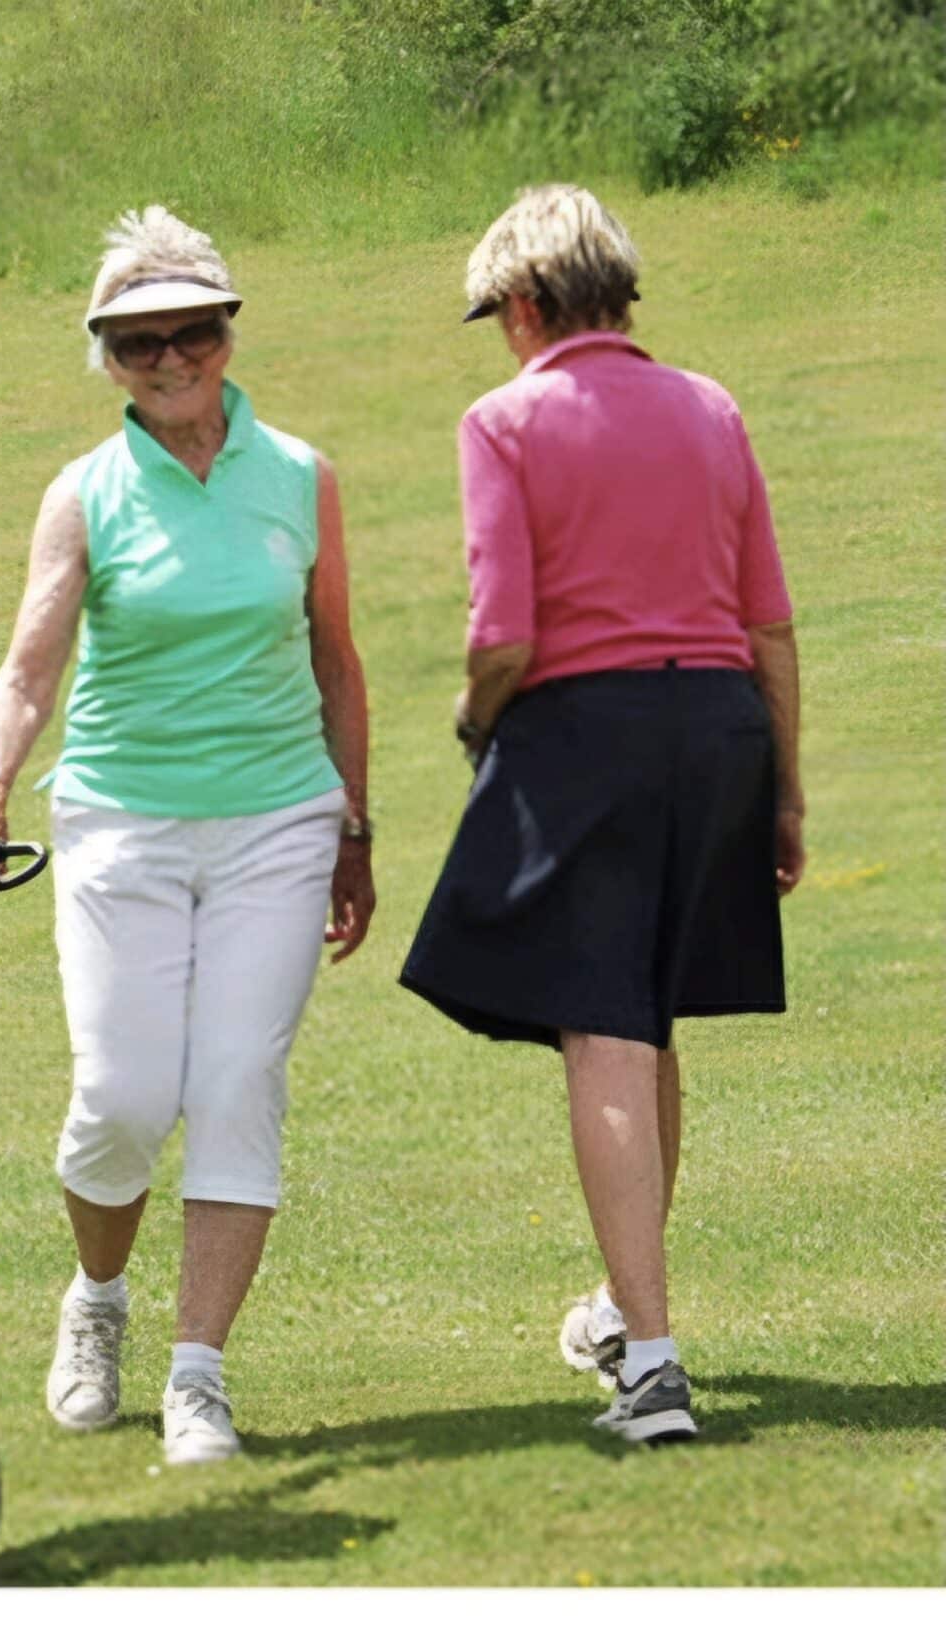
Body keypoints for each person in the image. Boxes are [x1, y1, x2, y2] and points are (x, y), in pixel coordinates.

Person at [0, 206, 374, 1466]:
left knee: (235, 1085)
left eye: (192, 333)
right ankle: (98, 1300)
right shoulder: (83, 494)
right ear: (108, 357)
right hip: (120, 819)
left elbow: (338, 661)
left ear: (227, 336)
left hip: (278, 821)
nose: (170, 359)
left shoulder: (299, 474)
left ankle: (197, 1375)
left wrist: (354, 825)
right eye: (139, 345)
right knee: (120, 1099)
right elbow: (29, 668)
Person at [399, 185, 803, 1446]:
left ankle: (653, 1367)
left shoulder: (504, 419)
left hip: (590, 736)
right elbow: (767, 624)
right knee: (646, 1020)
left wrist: (475, 721)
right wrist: (784, 785)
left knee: (602, 1037)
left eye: (497, 319)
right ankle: (631, 1320)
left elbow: (503, 631)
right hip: (721, 729)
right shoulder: (711, 407)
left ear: (522, 306)